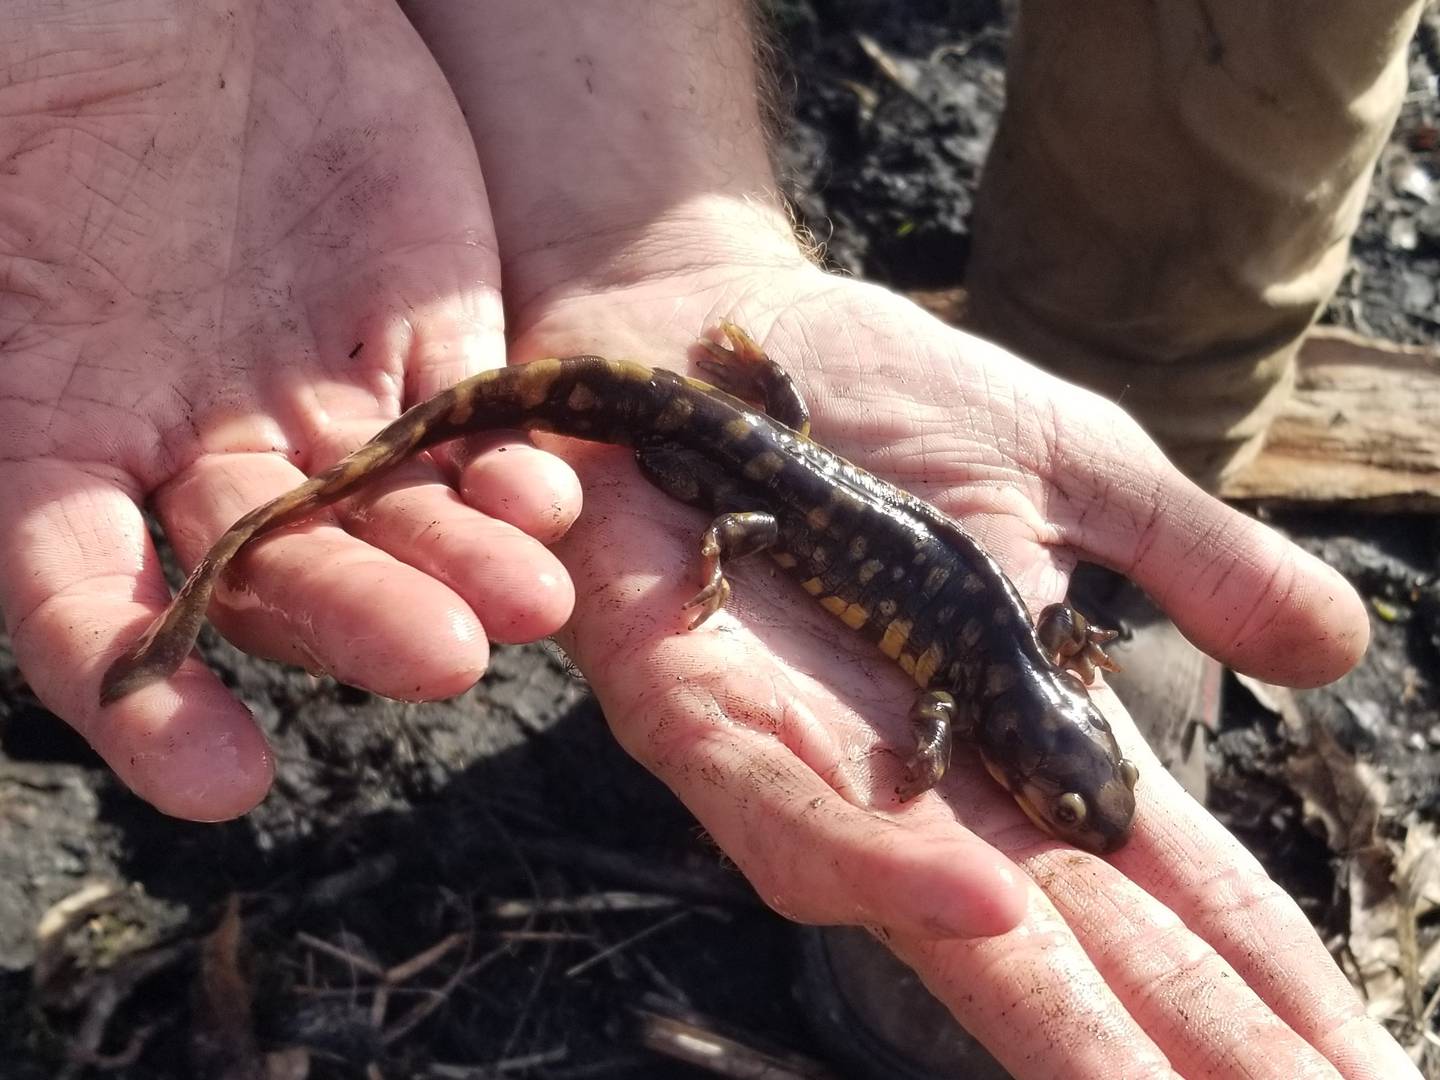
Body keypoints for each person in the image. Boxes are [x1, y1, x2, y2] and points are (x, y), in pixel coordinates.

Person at [0, 1, 1418, 1075]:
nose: (1058, 800)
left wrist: (648, 239)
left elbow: (1036, 644)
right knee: (722, 488)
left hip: (760, 450)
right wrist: (730, 561)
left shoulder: (1002, 671)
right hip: (747, 463)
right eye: (1060, 798)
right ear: (1042, 737)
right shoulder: (974, 683)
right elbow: (944, 654)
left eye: (1064, 796)